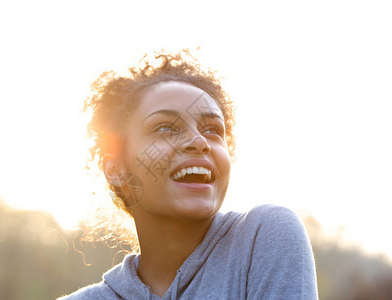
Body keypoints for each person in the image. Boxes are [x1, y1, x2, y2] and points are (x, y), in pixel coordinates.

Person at [58, 50, 318, 299]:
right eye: (165, 128)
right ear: (116, 170)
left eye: (213, 130)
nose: (198, 141)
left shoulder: (264, 236)